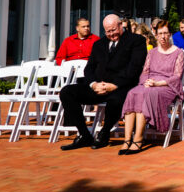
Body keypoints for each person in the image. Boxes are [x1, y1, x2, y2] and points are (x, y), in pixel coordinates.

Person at [59, 14, 148, 150]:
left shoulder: (136, 40)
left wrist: (114, 85)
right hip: (99, 86)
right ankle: (84, 135)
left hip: (121, 86)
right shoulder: (99, 44)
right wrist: (94, 84)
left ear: (120, 26)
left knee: (116, 100)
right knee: (67, 92)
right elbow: (89, 69)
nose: (112, 34)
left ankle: (104, 133)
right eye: (108, 31)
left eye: (114, 30)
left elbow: (134, 67)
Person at [118, 19, 184, 155]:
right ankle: (126, 140)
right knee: (133, 93)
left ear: (170, 34)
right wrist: (146, 82)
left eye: (166, 33)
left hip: (167, 86)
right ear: (156, 35)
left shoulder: (178, 52)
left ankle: (138, 139)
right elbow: (144, 72)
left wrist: (158, 83)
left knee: (147, 94)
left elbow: (177, 76)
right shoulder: (152, 52)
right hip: (150, 83)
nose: (163, 36)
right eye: (160, 33)